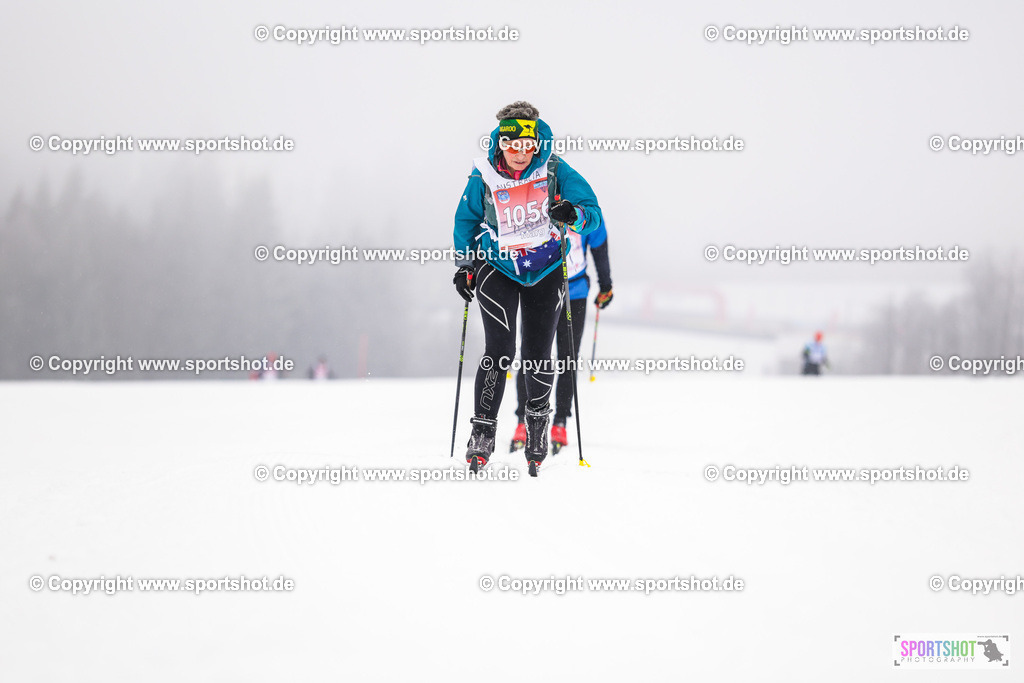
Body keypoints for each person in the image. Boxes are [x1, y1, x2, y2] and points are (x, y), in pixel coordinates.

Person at [453, 101, 603, 477]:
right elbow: (466, 219)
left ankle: (537, 426)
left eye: (526, 145)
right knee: (500, 350)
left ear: (536, 144)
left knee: (537, 352)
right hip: (497, 268)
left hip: (547, 268)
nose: (519, 153)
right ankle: (483, 433)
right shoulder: (484, 174)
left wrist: (575, 215)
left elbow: (592, 212)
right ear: (500, 142)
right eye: (511, 144)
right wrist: (464, 265)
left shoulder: (555, 170)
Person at [510, 222, 613, 454]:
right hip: (538, 289)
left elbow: (599, 246)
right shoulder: (539, 199)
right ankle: (523, 422)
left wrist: (605, 285)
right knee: (531, 356)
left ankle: (560, 422)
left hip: (574, 292)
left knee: (568, 358)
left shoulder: (585, 208)